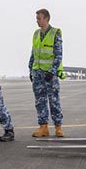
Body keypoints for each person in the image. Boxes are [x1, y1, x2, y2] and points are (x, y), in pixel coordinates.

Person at [29, 8, 65, 138]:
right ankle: (43, 127)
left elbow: (58, 55)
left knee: (53, 100)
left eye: (39, 18)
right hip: (37, 72)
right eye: (36, 19)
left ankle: (58, 127)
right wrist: (30, 68)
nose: (37, 21)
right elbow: (33, 52)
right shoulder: (36, 34)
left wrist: (53, 71)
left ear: (46, 19)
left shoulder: (55, 33)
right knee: (40, 101)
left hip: (49, 74)